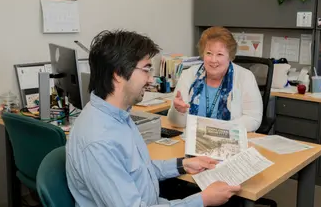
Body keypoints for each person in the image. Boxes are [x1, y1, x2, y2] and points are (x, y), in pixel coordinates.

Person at [66, 30, 241, 207]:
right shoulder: (99, 142)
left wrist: (183, 165)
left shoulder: (117, 115)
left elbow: (140, 171)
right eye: (146, 70)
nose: (151, 80)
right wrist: (202, 200)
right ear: (118, 74)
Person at [167, 26, 263, 132]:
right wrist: (178, 111)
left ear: (230, 56)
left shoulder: (245, 77)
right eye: (209, 53)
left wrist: (218, 129)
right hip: (193, 141)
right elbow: (175, 123)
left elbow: (253, 119)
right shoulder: (189, 75)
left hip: (230, 141)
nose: (213, 60)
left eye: (220, 54)